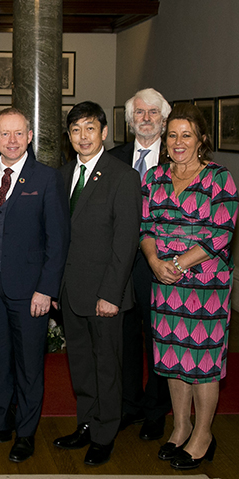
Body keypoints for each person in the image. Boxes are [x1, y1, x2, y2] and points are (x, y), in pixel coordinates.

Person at [0, 108, 70, 461]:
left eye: (18, 134)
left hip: (30, 292)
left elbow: (58, 240)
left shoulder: (47, 179)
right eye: (4, 134)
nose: (11, 140)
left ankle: (25, 431)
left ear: (29, 137)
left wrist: (47, 288)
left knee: (27, 366)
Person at [140, 103, 237, 470]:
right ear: (165, 141)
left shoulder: (219, 178)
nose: (179, 142)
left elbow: (220, 234)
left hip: (205, 288)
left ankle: (203, 435)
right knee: (172, 360)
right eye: (173, 135)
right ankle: (180, 428)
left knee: (203, 362)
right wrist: (154, 261)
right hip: (165, 284)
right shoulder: (153, 178)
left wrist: (179, 264)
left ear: (201, 140)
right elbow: (145, 227)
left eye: (187, 135)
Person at [53, 101, 141, 466]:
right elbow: (58, 238)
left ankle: (105, 434)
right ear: (69, 137)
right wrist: (56, 287)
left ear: (104, 132)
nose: (83, 136)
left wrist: (111, 295)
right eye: (75, 130)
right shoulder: (62, 175)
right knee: (81, 364)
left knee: (107, 366)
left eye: (90, 128)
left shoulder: (123, 177)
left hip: (105, 293)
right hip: (71, 292)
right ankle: (86, 424)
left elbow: (125, 242)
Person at [109, 88, 172, 441]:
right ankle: (129, 405)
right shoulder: (114, 158)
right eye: (140, 113)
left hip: (160, 264)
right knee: (126, 338)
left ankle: (155, 409)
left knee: (157, 339)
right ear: (130, 120)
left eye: (153, 113)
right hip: (120, 265)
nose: (146, 119)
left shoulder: (177, 157)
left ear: (163, 119)